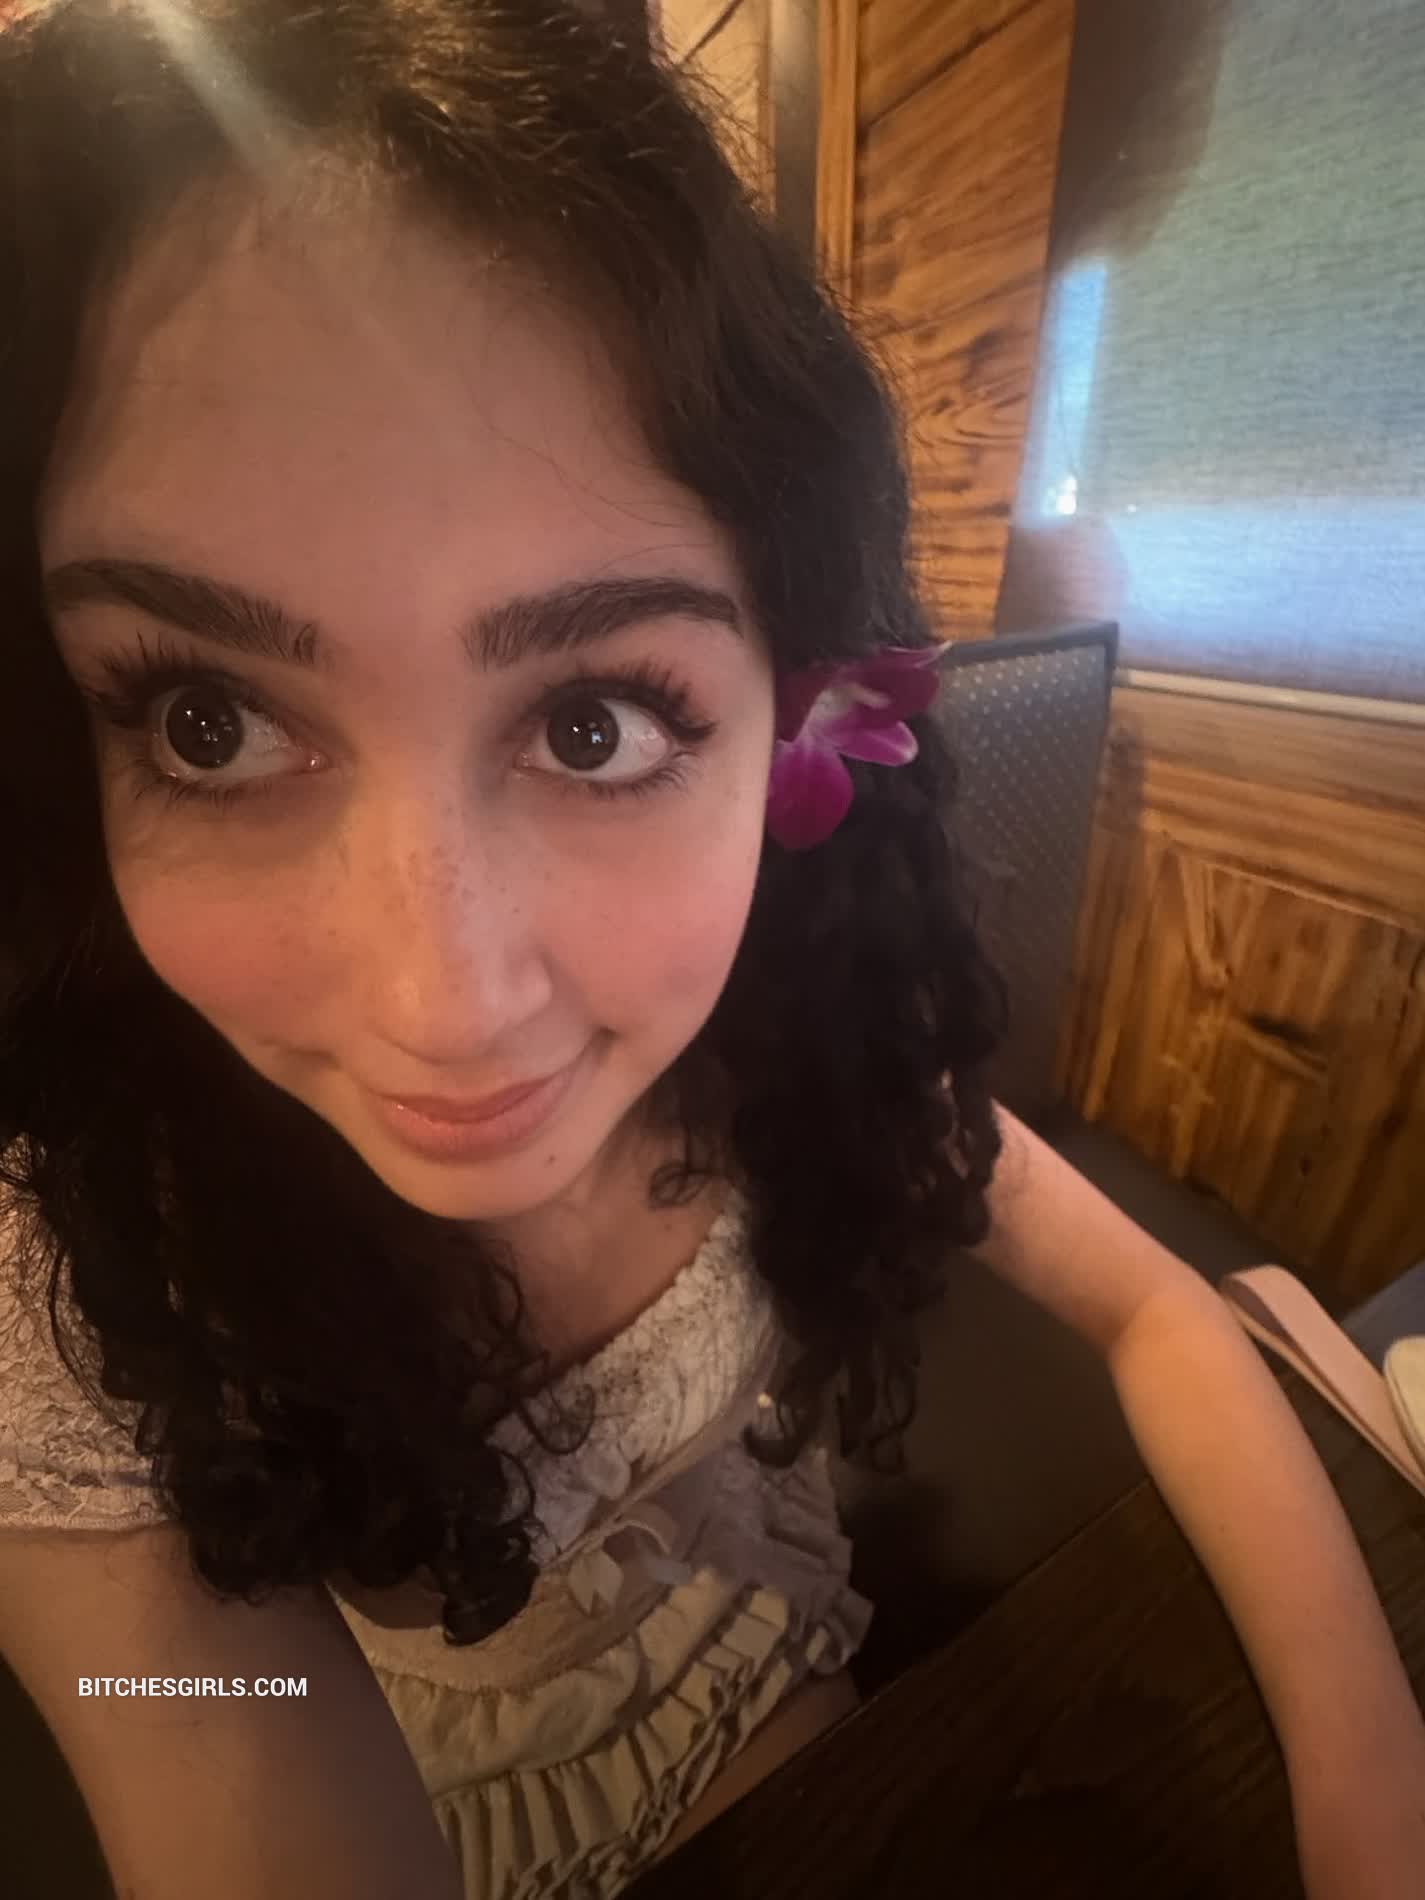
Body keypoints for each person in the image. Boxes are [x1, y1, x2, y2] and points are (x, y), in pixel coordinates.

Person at [0, 4, 1421, 1898]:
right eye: (209, 724)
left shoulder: (792, 1030)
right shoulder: (85, 1284)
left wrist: (1372, 1802)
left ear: (790, 722)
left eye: (591, 723)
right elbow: (176, 1710)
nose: (448, 1003)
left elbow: (1164, 1311)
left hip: (786, 1656)